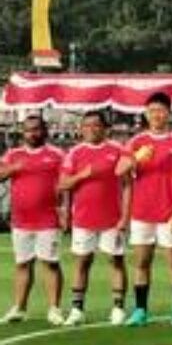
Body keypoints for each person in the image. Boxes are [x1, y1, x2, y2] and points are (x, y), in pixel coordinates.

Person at [120, 92, 172, 327]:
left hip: (169, 212)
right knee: (142, 262)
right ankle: (140, 310)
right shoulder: (136, 141)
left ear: (168, 113)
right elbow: (119, 170)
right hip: (142, 213)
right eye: (152, 111)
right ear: (146, 114)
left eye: (160, 110)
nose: (156, 115)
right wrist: (135, 159)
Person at [59, 110, 130, 326]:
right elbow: (63, 184)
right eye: (86, 125)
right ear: (81, 129)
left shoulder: (118, 150)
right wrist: (82, 175)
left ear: (105, 128)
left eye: (96, 125)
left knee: (115, 260)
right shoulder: (75, 153)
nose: (91, 129)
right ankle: (77, 309)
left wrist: (125, 216)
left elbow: (128, 185)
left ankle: (118, 308)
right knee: (82, 261)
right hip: (83, 219)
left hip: (112, 219)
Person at [0, 115, 65, 325]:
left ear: (44, 131)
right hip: (21, 220)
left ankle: (54, 309)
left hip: (48, 219)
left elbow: (66, 183)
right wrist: (13, 169)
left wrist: (65, 209)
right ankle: (19, 308)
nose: (32, 133)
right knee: (22, 264)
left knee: (50, 263)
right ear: (23, 132)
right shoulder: (13, 154)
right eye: (28, 130)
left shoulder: (56, 154)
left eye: (36, 129)